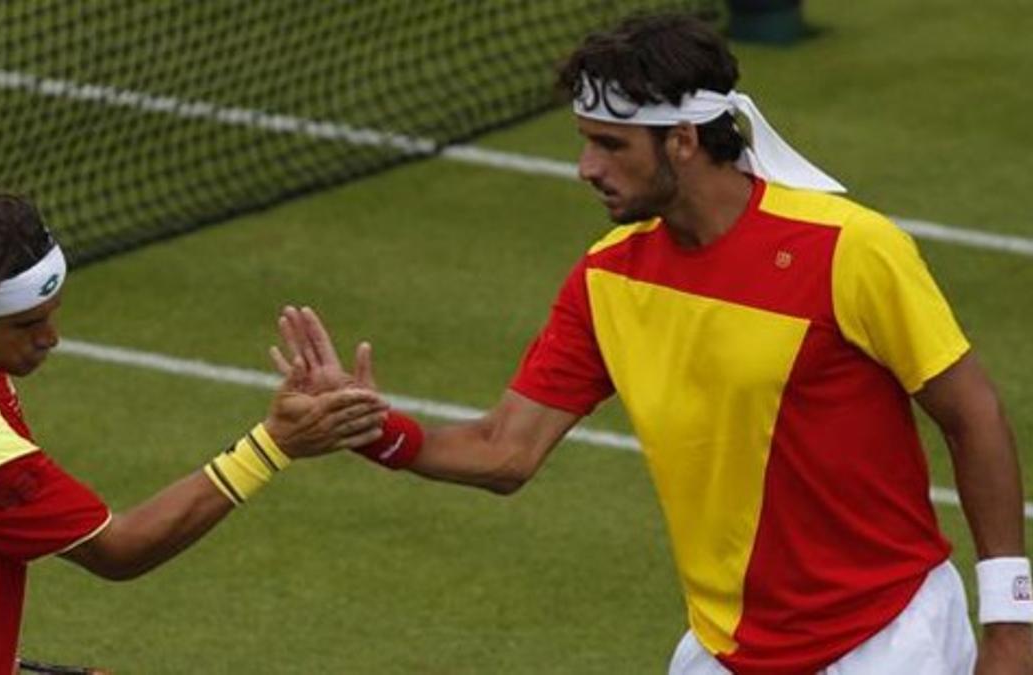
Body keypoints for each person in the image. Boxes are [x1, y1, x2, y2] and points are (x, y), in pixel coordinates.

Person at [271, 14, 1032, 674]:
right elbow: (505, 451)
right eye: (584, 142)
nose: (586, 168)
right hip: (725, 648)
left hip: (890, 639)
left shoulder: (849, 250)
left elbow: (973, 416)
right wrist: (369, 430)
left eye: (610, 144)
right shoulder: (606, 279)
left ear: (684, 141)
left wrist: (1011, 628)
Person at [0, 194, 388, 673]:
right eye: (26, 325)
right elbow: (120, 550)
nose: (51, 337)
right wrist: (273, 446)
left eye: (50, 313)